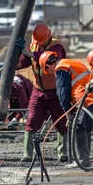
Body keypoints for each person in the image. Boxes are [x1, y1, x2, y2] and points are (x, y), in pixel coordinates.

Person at [16, 23, 68, 163]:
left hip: (56, 92)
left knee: (61, 122)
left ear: (48, 36)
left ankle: (63, 153)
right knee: (32, 121)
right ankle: (28, 154)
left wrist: (31, 54)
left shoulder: (57, 47)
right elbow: (25, 61)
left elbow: (51, 60)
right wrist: (17, 57)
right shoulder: (34, 45)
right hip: (38, 91)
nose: (39, 44)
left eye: (41, 42)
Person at [41, 50, 93, 169]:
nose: (52, 73)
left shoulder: (61, 68)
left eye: (49, 70)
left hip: (85, 99)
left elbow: (62, 93)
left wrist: (68, 113)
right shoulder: (71, 63)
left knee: (78, 127)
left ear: (49, 65)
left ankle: (82, 161)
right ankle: (84, 159)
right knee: (85, 128)